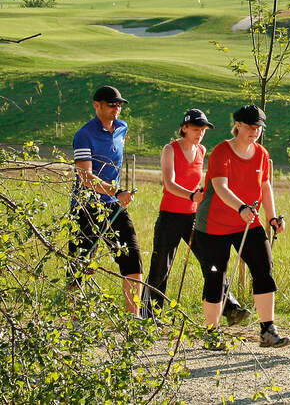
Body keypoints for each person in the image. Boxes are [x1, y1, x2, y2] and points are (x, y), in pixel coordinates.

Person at [192, 104, 290, 350]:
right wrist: (241, 208)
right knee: (216, 278)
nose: (255, 131)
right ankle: (212, 333)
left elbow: (265, 187)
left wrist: (272, 217)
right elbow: (221, 187)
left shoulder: (261, 154)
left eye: (258, 127)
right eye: (250, 126)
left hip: (249, 222)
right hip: (214, 225)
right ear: (238, 125)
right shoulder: (221, 152)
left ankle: (268, 330)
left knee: (264, 269)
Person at [140, 109, 251, 325]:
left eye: (203, 130)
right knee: (161, 265)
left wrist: (202, 194)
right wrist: (191, 195)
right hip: (170, 216)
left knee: (211, 260)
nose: (200, 133)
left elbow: (197, 182)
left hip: (194, 216)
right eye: (195, 129)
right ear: (184, 128)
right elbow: (169, 183)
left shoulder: (202, 150)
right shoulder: (170, 149)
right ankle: (149, 315)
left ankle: (230, 308)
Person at [69, 85, 142, 315]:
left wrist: (117, 195)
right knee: (80, 265)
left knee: (133, 261)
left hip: (114, 206)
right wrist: (117, 191)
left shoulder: (122, 127)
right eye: (111, 104)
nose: (116, 108)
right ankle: (75, 322)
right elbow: (86, 177)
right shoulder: (84, 134)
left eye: (119, 104)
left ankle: (134, 320)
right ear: (96, 105)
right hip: (86, 206)